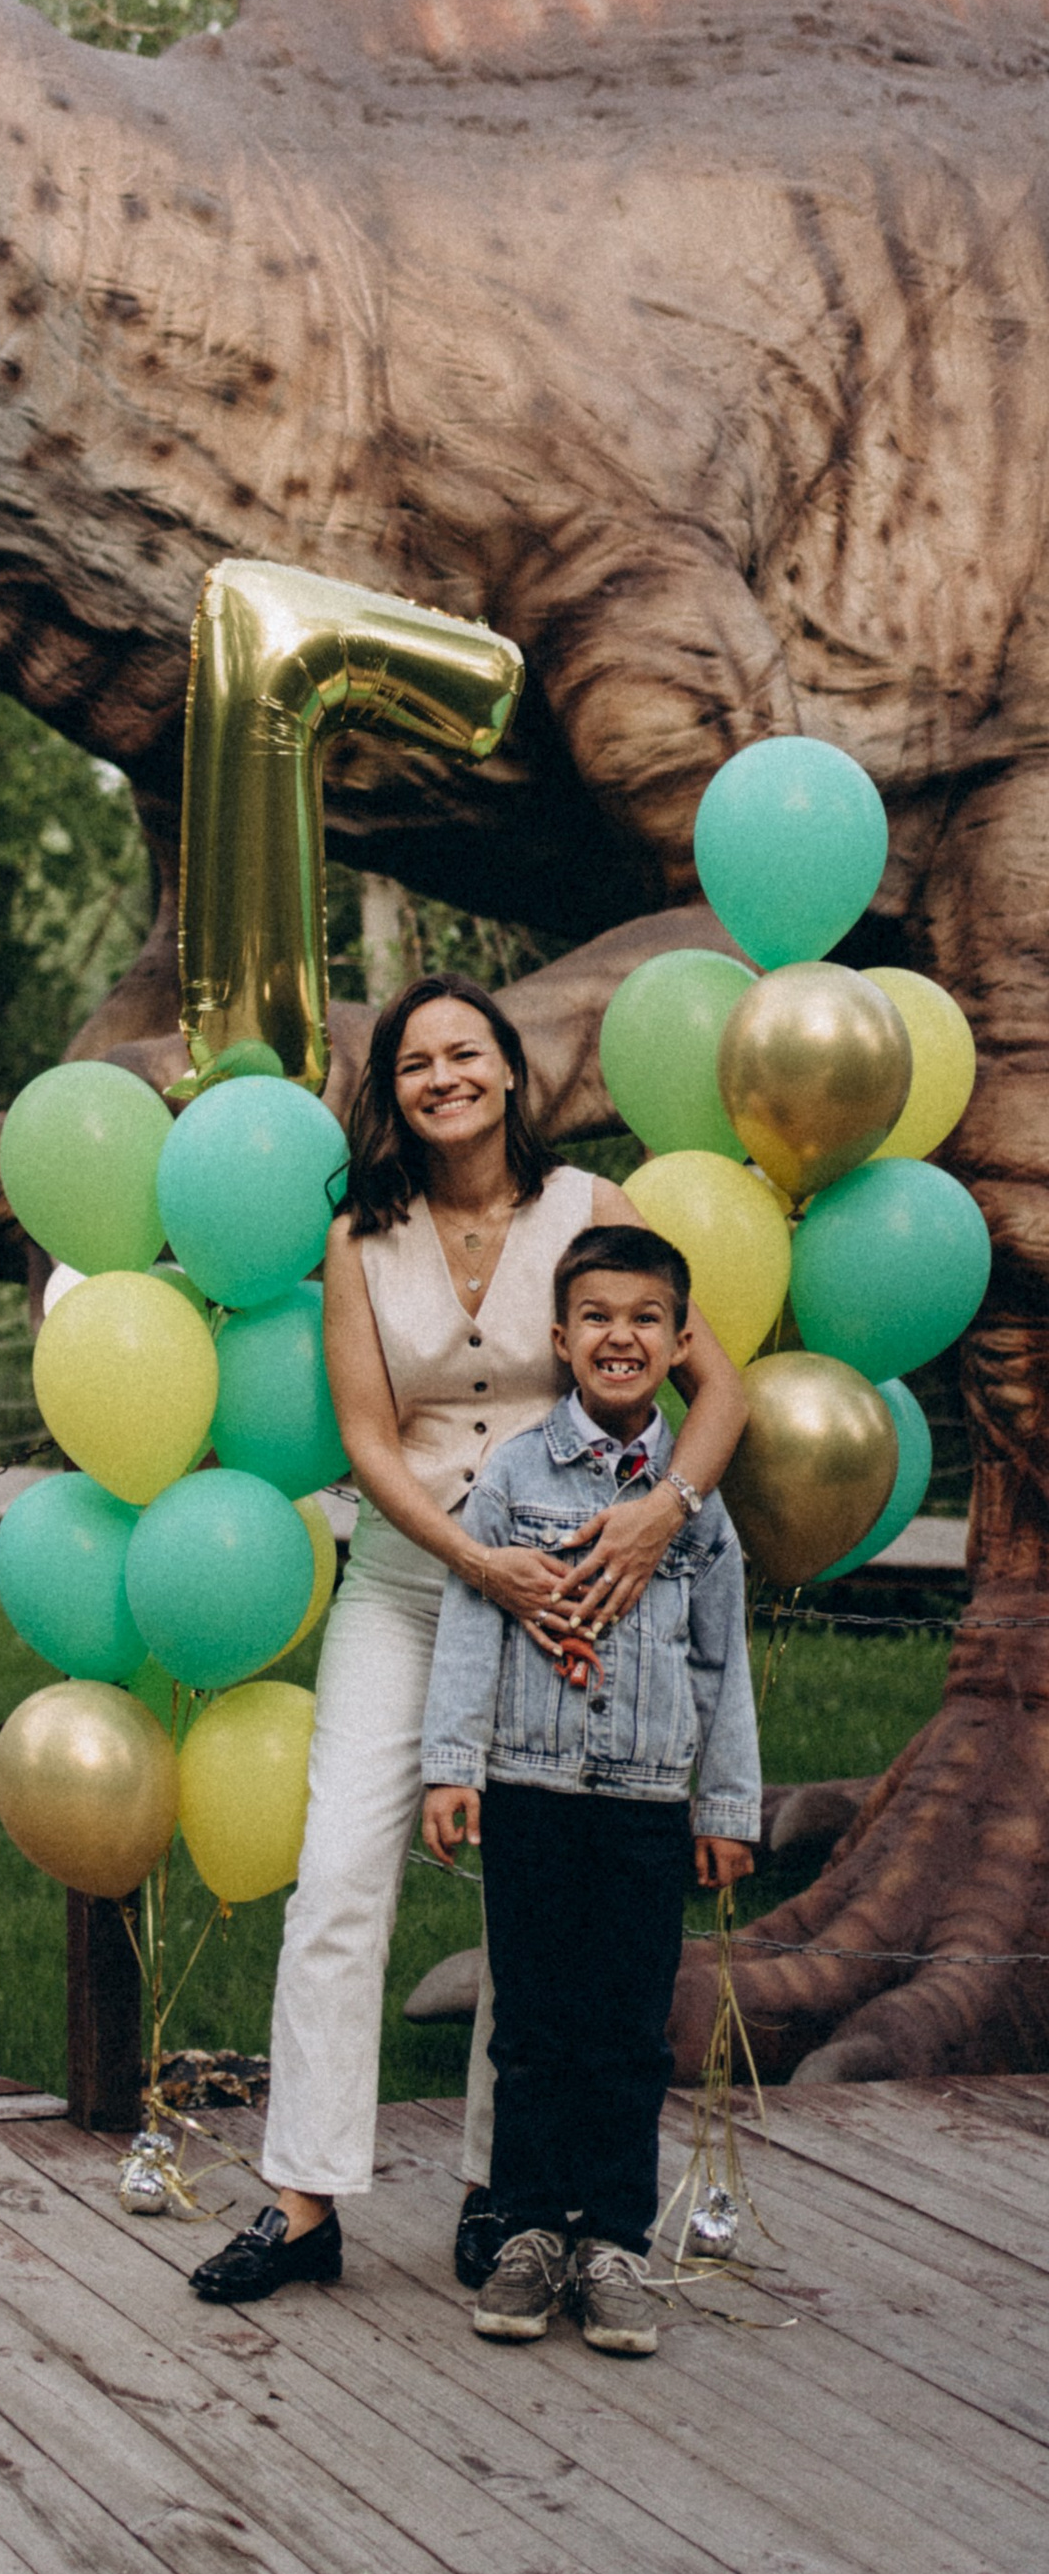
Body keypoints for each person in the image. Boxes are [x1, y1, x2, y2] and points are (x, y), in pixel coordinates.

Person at [191, 972, 748, 2309]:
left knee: (535, 1899)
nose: (442, 1078)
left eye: (466, 1053)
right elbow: (370, 1439)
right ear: (391, 1092)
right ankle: (305, 2198)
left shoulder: (591, 1211)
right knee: (338, 1879)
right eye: (414, 1063)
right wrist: (465, 1558)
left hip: (573, 1591)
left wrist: (658, 1515)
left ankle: (504, 2197)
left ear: (509, 1070)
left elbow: (715, 1386)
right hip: (413, 1579)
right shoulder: (357, 1240)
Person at [421, 1222, 761, 2354]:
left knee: (625, 2029)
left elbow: (724, 1660)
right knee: (532, 2023)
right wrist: (449, 1767)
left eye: (646, 1319)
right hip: (532, 1787)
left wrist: (724, 1809)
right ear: (561, 1338)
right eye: (598, 1318)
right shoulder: (514, 1477)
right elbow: (473, 1626)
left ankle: (612, 2239)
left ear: (677, 1341)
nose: (621, 1336)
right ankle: (524, 2232)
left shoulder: (691, 1503)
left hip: (646, 1801)